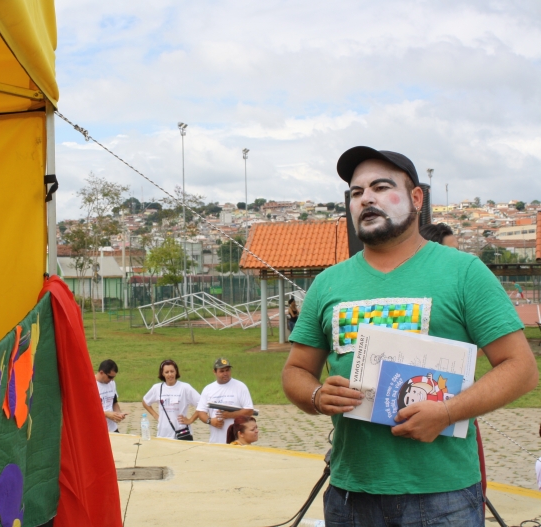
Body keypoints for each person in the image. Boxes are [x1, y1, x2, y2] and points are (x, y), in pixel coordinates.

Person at [282, 145, 537, 526]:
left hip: (444, 496)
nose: (366, 198)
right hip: (351, 494)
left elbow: (521, 368)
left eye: (382, 187)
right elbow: (295, 372)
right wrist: (318, 396)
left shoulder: (464, 272)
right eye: (356, 192)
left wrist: (448, 412)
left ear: (417, 198)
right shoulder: (326, 284)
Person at [196, 358, 255, 444]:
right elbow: (201, 412)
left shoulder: (240, 387)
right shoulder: (208, 389)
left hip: (236, 442)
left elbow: (249, 410)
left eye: (227, 370)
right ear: (214, 372)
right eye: (222, 371)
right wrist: (211, 421)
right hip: (215, 441)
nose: (225, 373)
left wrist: (229, 415)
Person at [141, 359, 201, 439]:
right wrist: (155, 416)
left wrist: (190, 420)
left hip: (182, 433)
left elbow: (202, 404)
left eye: (172, 371)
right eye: (167, 372)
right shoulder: (157, 388)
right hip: (163, 433)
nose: (170, 374)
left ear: (176, 372)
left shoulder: (185, 388)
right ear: (162, 374)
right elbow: (145, 401)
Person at [95, 359, 126, 432]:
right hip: (97, 430)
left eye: (113, 377)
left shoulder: (112, 383)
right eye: (110, 377)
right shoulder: (90, 385)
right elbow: (87, 410)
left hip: (112, 428)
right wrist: (106, 414)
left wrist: (118, 414)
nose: (112, 380)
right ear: (101, 372)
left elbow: (114, 402)